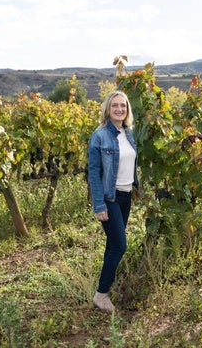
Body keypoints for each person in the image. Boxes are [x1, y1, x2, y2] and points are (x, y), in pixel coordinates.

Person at [88, 91, 138, 312]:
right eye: (115, 105)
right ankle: (101, 293)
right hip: (110, 198)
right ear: (108, 109)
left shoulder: (128, 133)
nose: (119, 109)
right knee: (120, 245)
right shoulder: (100, 136)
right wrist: (99, 204)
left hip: (125, 196)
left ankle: (105, 284)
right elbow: (94, 172)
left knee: (112, 244)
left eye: (123, 106)